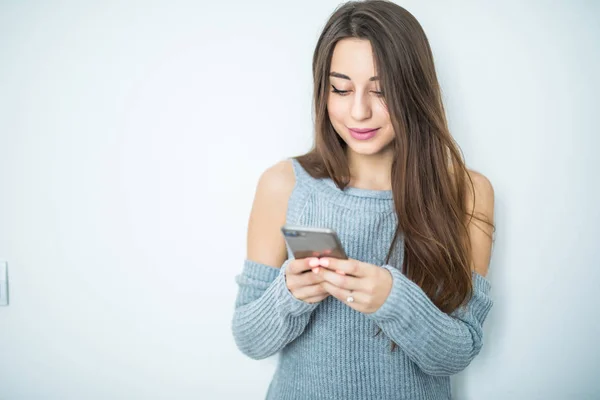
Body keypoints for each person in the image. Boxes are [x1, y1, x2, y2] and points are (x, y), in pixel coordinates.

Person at [231, 0, 495, 399]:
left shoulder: (467, 193)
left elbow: (457, 354)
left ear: (413, 89)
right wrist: (289, 296)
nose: (359, 111)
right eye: (340, 89)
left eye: (382, 91)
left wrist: (393, 299)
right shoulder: (283, 183)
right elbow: (250, 340)